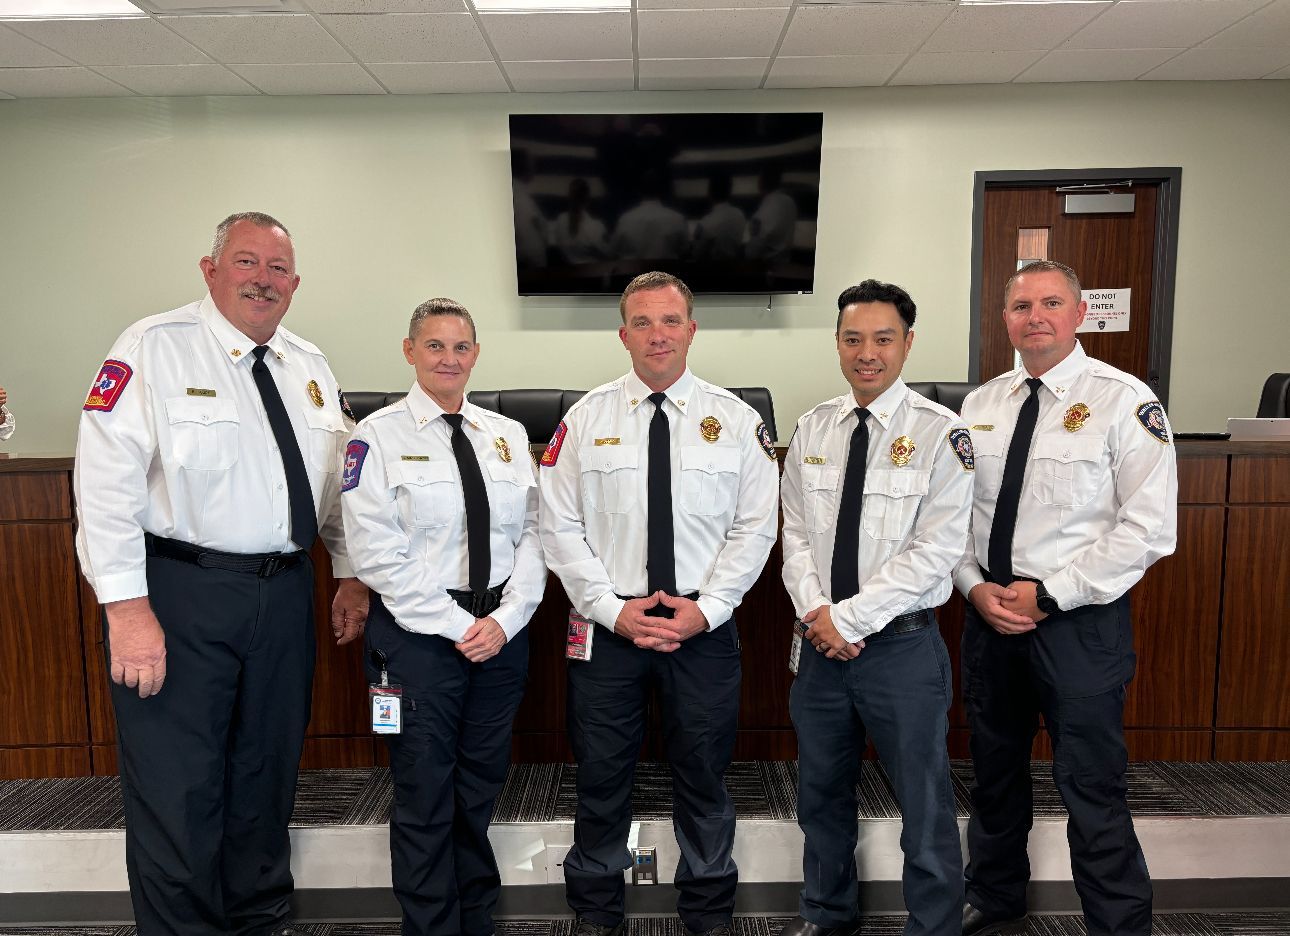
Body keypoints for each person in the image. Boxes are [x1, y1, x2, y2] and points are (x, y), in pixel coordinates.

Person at [73, 212, 370, 936]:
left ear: (294, 284)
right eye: (246, 262)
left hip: (285, 591)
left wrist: (351, 573)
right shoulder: (154, 348)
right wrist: (126, 609)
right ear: (210, 271)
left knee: (265, 779)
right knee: (180, 788)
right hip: (182, 594)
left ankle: (258, 921)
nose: (262, 280)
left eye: (277, 269)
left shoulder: (309, 365)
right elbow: (103, 489)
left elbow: (335, 485)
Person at [538, 271, 779, 936]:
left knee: (703, 779)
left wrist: (710, 608)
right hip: (608, 629)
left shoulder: (736, 422)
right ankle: (594, 911)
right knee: (601, 776)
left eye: (670, 321)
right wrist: (609, 609)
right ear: (623, 335)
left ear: (692, 329)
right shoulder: (584, 420)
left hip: (701, 629)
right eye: (642, 323)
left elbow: (756, 528)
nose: (657, 335)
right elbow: (558, 526)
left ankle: (707, 911)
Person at [953, 260, 1178, 936]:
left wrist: (1051, 595)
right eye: (1021, 305)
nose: (1036, 317)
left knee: (1092, 784)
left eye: (1051, 303)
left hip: (1078, 625)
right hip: (990, 620)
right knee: (993, 775)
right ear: (1005, 319)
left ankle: (1117, 923)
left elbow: (1149, 528)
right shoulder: (981, 405)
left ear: (1080, 314)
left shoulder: (1123, 401)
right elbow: (954, 517)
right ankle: (994, 901)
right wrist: (973, 586)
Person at [340, 297, 546, 936]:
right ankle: (431, 925)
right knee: (425, 791)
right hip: (418, 640)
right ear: (410, 352)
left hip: (500, 634)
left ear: (476, 355)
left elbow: (535, 537)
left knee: (479, 784)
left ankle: (475, 917)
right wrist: (462, 627)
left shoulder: (506, 437)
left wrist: (509, 619)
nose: (449, 359)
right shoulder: (374, 438)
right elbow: (379, 556)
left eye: (461, 347)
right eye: (435, 346)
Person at [780, 280, 972, 936]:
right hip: (821, 650)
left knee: (924, 803)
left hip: (901, 649)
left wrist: (849, 619)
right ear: (837, 344)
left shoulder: (941, 435)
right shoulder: (813, 428)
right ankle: (827, 916)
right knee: (820, 798)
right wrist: (817, 614)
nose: (868, 353)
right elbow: (796, 534)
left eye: (883, 339)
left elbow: (936, 549)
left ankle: (935, 925)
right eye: (854, 338)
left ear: (907, 344)